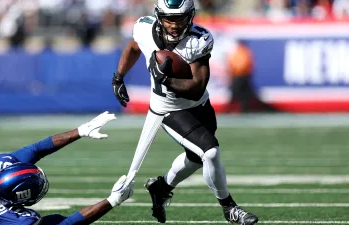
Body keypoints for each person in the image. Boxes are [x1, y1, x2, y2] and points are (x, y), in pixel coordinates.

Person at [111, 0, 259, 224]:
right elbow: (133, 47)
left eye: (180, 18)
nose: (174, 25)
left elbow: (197, 86)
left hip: (199, 104)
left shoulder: (198, 39)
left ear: (190, 17)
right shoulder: (144, 28)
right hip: (168, 109)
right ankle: (229, 207)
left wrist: (166, 79)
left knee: (195, 157)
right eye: (169, 18)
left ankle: (161, 188)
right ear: (160, 17)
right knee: (210, 152)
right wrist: (118, 77)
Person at [0, 112, 135, 225]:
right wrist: (112, 200)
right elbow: (66, 224)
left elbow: (37, 149)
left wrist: (82, 131)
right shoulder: (18, 219)